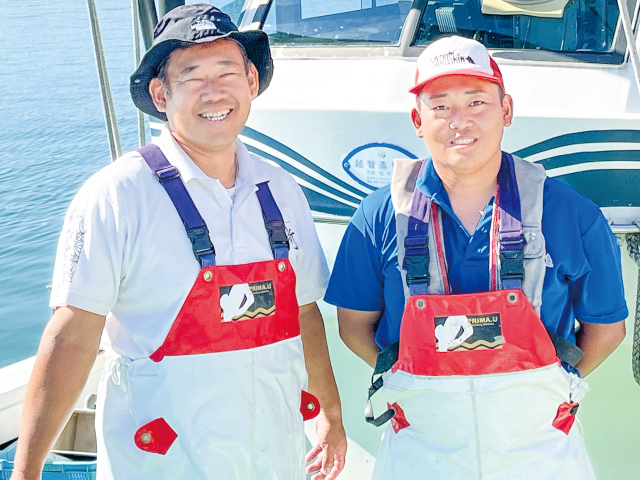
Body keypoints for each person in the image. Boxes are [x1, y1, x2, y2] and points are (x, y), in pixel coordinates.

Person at [11, 5, 346, 479]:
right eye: (191, 76)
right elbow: (72, 335)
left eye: (227, 71)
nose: (214, 91)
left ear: (251, 82)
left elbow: (304, 311)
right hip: (161, 465)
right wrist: (27, 471)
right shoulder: (117, 194)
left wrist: (330, 415)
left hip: (273, 459)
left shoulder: (282, 190)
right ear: (159, 94)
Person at [324, 35, 627, 479]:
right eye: (440, 105)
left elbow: (607, 330)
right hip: (418, 452)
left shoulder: (571, 213)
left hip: (541, 452)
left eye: (476, 102)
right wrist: (416, 382)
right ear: (418, 120)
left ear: (506, 110)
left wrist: (545, 391)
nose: (459, 121)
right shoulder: (377, 217)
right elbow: (353, 326)